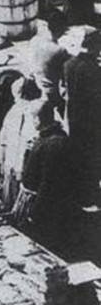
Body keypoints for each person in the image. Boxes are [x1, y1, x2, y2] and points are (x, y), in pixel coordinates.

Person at [14, 102, 76, 254]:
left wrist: (36, 212)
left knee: (41, 246)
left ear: (39, 119)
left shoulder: (55, 142)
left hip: (43, 206)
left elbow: (48, 182)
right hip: (33, 200)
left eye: (33, 118)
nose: (32, 122)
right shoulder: (46, 138)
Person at [63, 28, 101, 207]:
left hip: (73, 117)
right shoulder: (94, 70)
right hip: (91, 122)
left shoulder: (68, 64)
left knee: (78, 156)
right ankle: (90, 196)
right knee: (92, 158)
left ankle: (78, 193)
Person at [0, 78, 44, 209]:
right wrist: (1, 155)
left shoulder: (37, 110)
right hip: (11, 162)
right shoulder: (14, 111)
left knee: (23, 201)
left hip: (26, 163)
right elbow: (4, 137)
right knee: (9, 198)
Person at [30, 10, 70, 113]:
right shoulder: (59, 50)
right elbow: (67, 75)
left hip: (35, 87)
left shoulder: (34, 41)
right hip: (52, 94)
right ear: (63, 29)